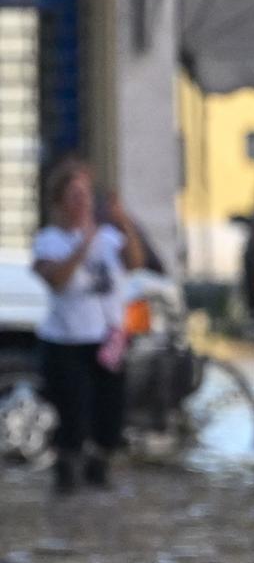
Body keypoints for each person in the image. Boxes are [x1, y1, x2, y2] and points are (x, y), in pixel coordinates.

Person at [32, 158, 146, 492]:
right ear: (60, 202)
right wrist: (83, 244)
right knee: (73, 411)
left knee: (110, 411)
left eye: (86, 195)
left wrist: (123, 220)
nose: (82, 202)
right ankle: (67, 471)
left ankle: (99, 468)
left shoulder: (109, 238)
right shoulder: (49, 240)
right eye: (74, 195)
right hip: (66, 341)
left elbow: (135, 262)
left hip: (107, 338)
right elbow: (57, 281)